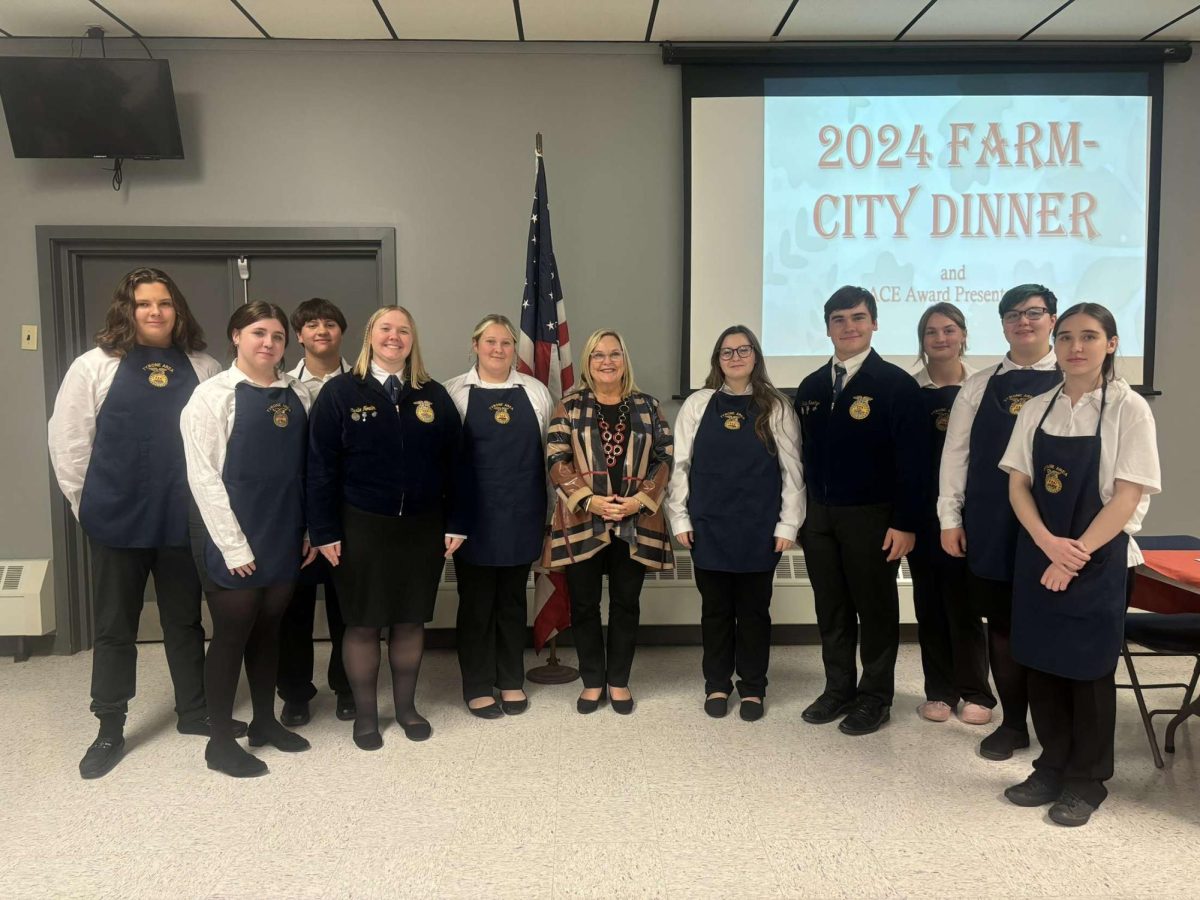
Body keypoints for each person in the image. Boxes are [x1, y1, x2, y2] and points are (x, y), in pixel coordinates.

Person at [47, 267, 237, 780]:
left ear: (179, 311)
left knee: (184, 621)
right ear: (126, 310)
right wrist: (86, 506)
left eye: (164, 303)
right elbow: (68, 443)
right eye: (143, 303)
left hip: (180, 519)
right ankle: (109, 726)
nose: (155, 312)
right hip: (117, 518)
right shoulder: (93, 367)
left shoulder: (203, 366)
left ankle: (194, 712)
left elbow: (216, 443)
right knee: (114, 628)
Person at [999, 303, 1160, 826]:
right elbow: (1018, 484)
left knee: (1088, 671)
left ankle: (1087, 781)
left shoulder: (1128, 409)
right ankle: (1050, 766)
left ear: (1110, 344)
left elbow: (1127, 495)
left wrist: (1073, 556)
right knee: (1042, 663)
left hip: (1098, 557)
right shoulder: (1037, 408)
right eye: (1066, 336)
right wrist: (1047, 542)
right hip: (1041, 553)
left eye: (1089, 337)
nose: (1075, 347)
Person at [307, 306, 470, 750]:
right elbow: (319, 468)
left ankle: (405, 708)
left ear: (412, 340)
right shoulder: (341, 393)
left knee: (409, 621)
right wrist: (322, 530)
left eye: (403, 330)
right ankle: (365, 716)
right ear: (370, 336)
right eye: (385, 329)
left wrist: (455, 520)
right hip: (359, 525)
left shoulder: (433, 395)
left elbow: (456, 465)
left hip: (422, 527)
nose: (394, 337)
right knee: (361, 624)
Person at [182, 301, 314, 778]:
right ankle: (219, 742)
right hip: (231, 532)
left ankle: (264, 722)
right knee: (233, 634)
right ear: (236, 336)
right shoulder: (211, 397)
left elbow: (305, 470)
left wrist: (307, 530)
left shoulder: (297, 393)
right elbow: (203, 478)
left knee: (270, 629)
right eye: (258, 333)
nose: (269, 343)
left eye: (277, 336)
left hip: (283, 529)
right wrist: (234, 545)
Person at [793, 286, 926, 736]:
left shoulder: (896, 385)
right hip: (820, 518)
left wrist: (905, 522)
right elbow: (802, 457)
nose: (848, 327)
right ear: (827, 326)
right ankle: (838, 689)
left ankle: (874, 697)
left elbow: (915, 462)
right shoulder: (811, 387)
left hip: (873, 516)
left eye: (858, 317)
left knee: (875, 610)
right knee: (830, 608)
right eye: (839, 319)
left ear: (874, 323)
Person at [939, 284, 1062, 761]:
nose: (1024, 321)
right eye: (1013, 314)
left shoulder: (1078, 380)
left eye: (1034, 313)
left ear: (1052, 319)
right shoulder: (979, 385)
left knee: (1050, 625)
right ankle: (1013, 724)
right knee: (1003, 627)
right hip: (992, 521)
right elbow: (957, 455)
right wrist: (949, 516)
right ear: (1003, 323)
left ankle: (1057, 729)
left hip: (1057, 527)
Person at [666, 325, 803, 721]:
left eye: (743, 350)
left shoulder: (776, 405)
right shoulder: (698, 404)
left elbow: (793, 471)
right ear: (717, 360)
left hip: (760, 529)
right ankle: (717, 684)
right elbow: (681, 466)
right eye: (727, 352)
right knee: (715, 611)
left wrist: (787, 525)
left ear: (756, 356)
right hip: (708, 525)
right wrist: (679, 516)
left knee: (755, 612)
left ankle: (754, 688)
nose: (736, 357)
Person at [542, 329, 674, 715]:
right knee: (583, 605)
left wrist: (638, 500)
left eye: (614, 354)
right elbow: (555, 458)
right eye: (598, 355)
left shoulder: (648, 406)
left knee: (625, 603)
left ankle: (618, 681)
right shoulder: (568, 406)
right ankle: (592, 681)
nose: (607, 361)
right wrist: (592, 501)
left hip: (636, 520)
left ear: (624, 359)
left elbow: (665, 457)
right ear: (587, 361)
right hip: (584, 517)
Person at [445, 315, 553, 718]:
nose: (498, 349)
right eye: (490, 341)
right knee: (475, 603)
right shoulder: (454, 392)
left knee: (512, 601)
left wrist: (550, 518)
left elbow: (547, 459)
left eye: (506, 343)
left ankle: (511, 679)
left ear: (514, 348)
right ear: (475, 344)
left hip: (522, 513)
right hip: (471, 519)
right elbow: (446, 462)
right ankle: (476, 684)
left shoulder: (536, 393)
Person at [907, 304, 995, 726]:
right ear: (921, 340)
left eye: (949, 330)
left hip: (967, 515)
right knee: (929, 605)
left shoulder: (983, 387)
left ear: (963, 335)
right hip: (923, 516)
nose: (940, 338)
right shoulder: (908, 390)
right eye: (931, 332)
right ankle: (939, 691)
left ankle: (978, 693)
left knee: (964, 605)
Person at [276, 298, 354, 727]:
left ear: (342, 332)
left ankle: (346, 687)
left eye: (330, 323)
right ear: (299, 335)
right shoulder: (282, 387)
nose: (321, 330)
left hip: (348, 515)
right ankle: (295, 692)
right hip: (296, 516)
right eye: (311, 325)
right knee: (295, 610)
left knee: (347, 609)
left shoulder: (361, 385)